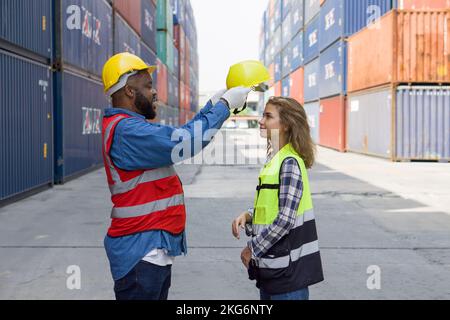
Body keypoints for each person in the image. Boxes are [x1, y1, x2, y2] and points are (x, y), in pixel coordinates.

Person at [101, 52, 251, 300]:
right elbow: (187, 141)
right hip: (141, 252)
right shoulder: (128, 131)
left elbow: (182, 133)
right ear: (129, 91)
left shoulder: (129, 126)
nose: (154, 93)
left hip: (148, 250)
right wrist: (225, 106)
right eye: (147, 86)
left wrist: (213, 105)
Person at [232, 97, 324, 300]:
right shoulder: (274, 160)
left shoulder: (289, 162)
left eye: (268, 116)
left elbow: (285, 220)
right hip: (274, 270)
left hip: (288, 276)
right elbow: (272, 207)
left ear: (286, 125)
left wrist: (251, 249)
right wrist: (249, 216)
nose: (261, 120)